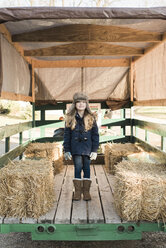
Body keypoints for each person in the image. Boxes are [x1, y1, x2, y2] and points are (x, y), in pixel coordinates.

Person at [63, 92, 99, 201]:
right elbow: (66, 135)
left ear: (86, 104)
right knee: (78, 167)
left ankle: (86, 192)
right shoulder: (70, 117)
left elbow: (95, 135)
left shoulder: (91, 117)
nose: (81, 104)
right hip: (76, 148)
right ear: (75, 104)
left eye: (84, 102)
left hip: (88, 148)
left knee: (87, 168)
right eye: (79, 102)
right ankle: (77, 192)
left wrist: (94, 150)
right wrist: (67, 149)